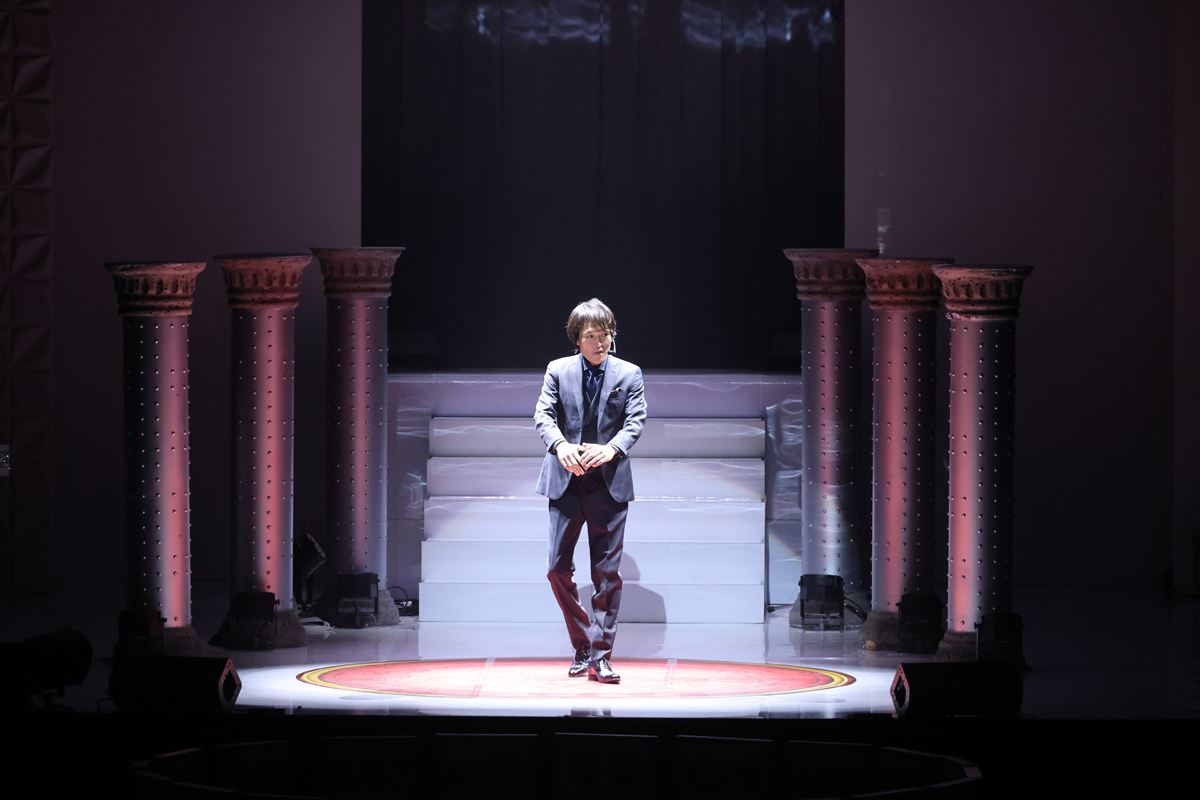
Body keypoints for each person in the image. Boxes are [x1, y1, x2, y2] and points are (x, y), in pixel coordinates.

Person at [534, 298, 646, 684]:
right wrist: (560, 446)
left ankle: (601, 657)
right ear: (577, 339)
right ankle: (583, 642)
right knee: (556, 569)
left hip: (608, 485)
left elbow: (635, 421)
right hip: (566, 483)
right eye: (592, 336)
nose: (600, 343)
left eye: (606, 335)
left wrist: (612, 448)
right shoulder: (557, 370)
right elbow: (543, 415)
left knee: (607, 575)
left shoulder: (629, 373)